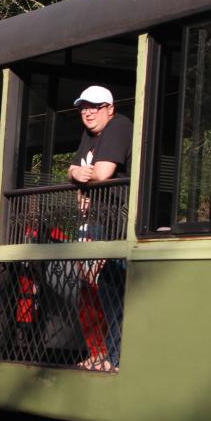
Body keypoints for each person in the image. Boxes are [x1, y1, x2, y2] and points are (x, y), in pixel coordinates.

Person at [67, 85, 132, 372]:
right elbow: (75, 169)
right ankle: (109, 355)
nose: (88, 112)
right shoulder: (90, 134)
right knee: (101, 289)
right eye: (83, 107)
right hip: (101, 223)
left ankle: (117, 358)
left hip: (122, 223)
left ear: (110, 108)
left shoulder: (118, 126)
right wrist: (75, 174)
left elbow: (103, 173)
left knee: (116, 288)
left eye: (94, 106)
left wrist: (81, 176)